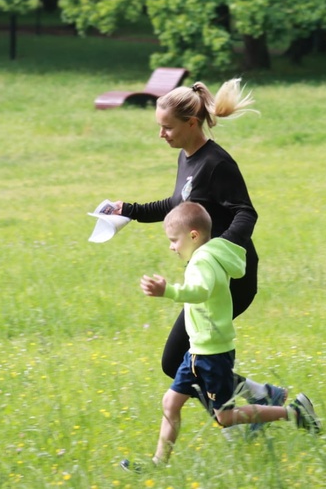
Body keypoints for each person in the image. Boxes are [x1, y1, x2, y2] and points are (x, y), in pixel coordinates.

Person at [110, 78, 285, 414]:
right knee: (180, 360)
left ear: (191, 123)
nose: (162, 135)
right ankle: (258, 397)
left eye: (167, 127)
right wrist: (128, 211)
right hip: (205, 279)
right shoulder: (187, 158)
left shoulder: (217, 163)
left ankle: (239, 416)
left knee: (181, 359)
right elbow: (178, 205)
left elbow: (246, 213)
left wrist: (215, 251)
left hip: (231, 280)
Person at [121, 202, 320, 471]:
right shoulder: (206, 256)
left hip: (213, 354)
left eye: (173, 240)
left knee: (225, 417)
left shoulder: (204, 261)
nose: (171, 247)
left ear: (193, 235)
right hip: (197, 352)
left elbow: (199, 291)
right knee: (170, 402)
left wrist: (168, 291)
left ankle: (294, 413)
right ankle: (158, 463)